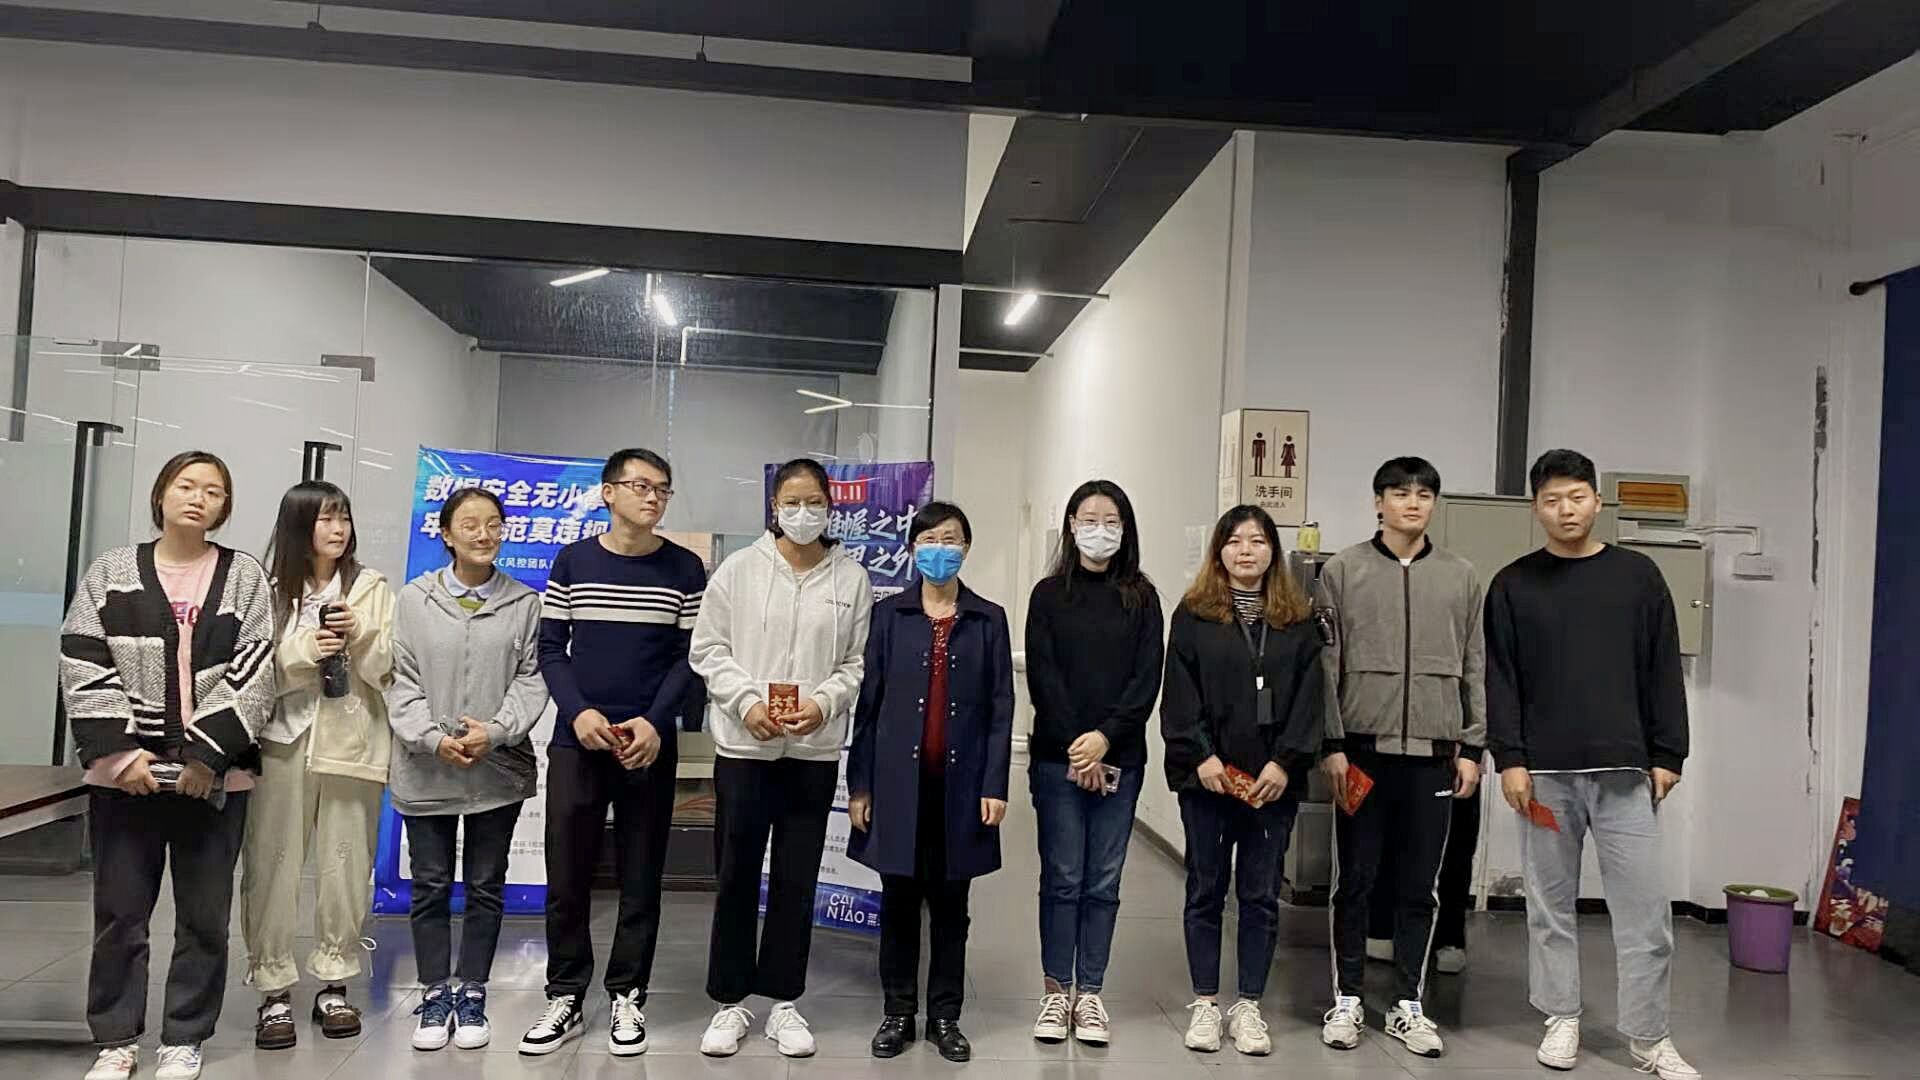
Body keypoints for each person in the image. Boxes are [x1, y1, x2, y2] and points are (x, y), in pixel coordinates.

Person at [62, 450, 276, 1080]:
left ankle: (184, 1036)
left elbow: (257, 669)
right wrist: (123, 753)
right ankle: (117, 1039)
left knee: (204, 916)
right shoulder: (111, 572)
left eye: (213, 491)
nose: (197, 498)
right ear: (161, 494)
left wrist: (207, 755)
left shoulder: (244, 576)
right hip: (124, 780)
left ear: (224, 506)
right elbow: (82, 657)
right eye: (186, 485)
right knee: (120, 913)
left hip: (215, 779)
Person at [1486, 449, 1697, 1080]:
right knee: (1549, 905)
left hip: (1624, 774)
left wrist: (1668, 753)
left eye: (1576, 497)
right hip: (1543, 780)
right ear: (1536, 509)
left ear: (1597, 501)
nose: (1565, 510)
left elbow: (1662, 665)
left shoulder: (1638, 577)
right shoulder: (1513, 584)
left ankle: (1649, 1037)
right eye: (1552, 500)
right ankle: (1561, 1018)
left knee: (1646, 912)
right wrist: (1510, 759)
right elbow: (1500, 679)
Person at [518, 449, 708, 1057]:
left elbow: (690, 657)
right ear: (608, 492)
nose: (653, 498)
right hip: (579, 739)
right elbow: (551, 647)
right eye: (641, 486)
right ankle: (565, 993)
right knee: (567, 874)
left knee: (641, 875)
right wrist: (579, 712)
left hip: (648, 743)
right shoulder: (573, 561)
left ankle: (628, 994)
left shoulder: (685, 568)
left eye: (663, 489)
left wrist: (656, 722)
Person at [691, 457, 873, 1058]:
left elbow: (856, 662)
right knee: (736, 874)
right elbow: (708, 649)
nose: (802, 512)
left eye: (813, 501)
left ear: (830, 505)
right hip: (745, 747)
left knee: (797, 877)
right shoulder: (739, 570)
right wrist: (746, 704)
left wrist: (824, 703)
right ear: (774, 506)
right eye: (791, 502)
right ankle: (729, 1001)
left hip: (812, 752)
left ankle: (784, 1001)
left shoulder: (851, 579)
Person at [1317, 457, 1485, 1059]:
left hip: (1434, 757)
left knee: (1421, 885)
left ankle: (1409, 1003)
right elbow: (1326, 664)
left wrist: (1473, 745)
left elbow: (1475, 663)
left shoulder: (1462, 577)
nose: (1412, 503)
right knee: (1356, 881)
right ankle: (1348, 998)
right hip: (1363, 753)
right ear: (1378, 502)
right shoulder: (1343, 571)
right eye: (1399, 493)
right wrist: (1332, 744)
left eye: (1424, 494)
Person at [847, 502, 1015, 1063]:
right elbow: (868, 706)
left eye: (951, 539)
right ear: (913, 547)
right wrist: (861, 785)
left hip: (960, 788)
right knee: (898, 901)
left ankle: (945, 1016)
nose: (940, 549)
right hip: (898, 784)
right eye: (930, 539)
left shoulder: (987, 619)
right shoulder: (889, 616)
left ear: (966, 548)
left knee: (950, 906)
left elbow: (1001, 707)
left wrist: (995, 784)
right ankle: (898, 1012)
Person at [387, 487, 551, 1051]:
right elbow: (400, 679)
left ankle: (473, 989)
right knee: (430, 884)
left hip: (496, 770)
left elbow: (532, 677)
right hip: (426, 767)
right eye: (471, 524)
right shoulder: (414, 599)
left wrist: (496, 731)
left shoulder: (524, 602)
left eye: (494, 524)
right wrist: (432, 738)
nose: (484, 534)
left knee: (486, 884)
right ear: (447, 534)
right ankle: (435, 991)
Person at [1162, 505, 1323, 1056]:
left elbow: (1309, 700)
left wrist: (1284, 762)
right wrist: (1201, 757)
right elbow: (1178, 694)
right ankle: (1205, 1003)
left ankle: (1249, 1004)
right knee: (1205, 889)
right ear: (1219, 551)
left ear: (1273, 551)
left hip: (1271, 784)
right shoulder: (1193, 615)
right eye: (1234, 541)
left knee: (1259, 895)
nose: (1246, 550)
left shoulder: (1296, 621)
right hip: (1207, 782)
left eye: (1257, 540)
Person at [243, 480, 396, 1050]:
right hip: (281, 743)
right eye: (326, 519)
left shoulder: (371, 586)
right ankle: (273, 988)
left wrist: (362, 635)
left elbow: (389, 670)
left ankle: (335, 980)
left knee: (346, 867)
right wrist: (306, 649)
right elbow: (251, 671)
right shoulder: (265, 588)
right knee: (272, 865)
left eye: (344, 518)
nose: (338, 529)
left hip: (352, 744)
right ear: (298, 526)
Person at [1023, 479, 1164, 1046]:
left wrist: (1104, 739)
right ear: (1071, 526)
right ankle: (1057, 991)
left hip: (1121, 759)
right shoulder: (1048, 595)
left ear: (1125, 529)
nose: (1099, 530)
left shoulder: (1143, 598)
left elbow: (1145, 680)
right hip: (1056, 759)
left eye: (1111, 520)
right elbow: (1044, 677)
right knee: (1062, 878)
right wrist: (1078, 746)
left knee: (1103, 881)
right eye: (1089, 519)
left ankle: (1091, 994)